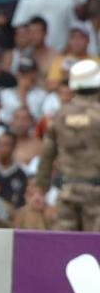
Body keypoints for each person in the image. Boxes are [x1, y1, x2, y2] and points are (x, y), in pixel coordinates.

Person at [33, 59, 100, 232]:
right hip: (97, 196)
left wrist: (40, 189)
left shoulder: (60, 115)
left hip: (67, 192)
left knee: (66, 250)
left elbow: (47, 155)